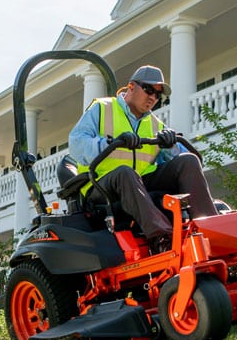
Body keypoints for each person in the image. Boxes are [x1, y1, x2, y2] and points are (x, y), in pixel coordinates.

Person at [69, 64, 217, 252]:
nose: (152, 97)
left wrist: (169, 145)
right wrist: (110, 144)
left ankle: (210, 228)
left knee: (188, 161)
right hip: (101, 186)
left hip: (139, 186)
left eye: (158, 94)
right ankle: (162, 237)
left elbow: (176, 160)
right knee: (125, 172)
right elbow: (76, 143)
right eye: (148, 89)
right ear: (131, 87)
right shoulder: (102, 108)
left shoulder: (155, 124)